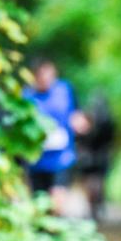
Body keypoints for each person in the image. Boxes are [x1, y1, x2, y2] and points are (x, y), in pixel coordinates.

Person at [23, 58, 83, 217]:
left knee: (57, 201)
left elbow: (76, 112)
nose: (45, 78)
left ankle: (55, 230)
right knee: (40, 205)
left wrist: (79, 122)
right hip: (36, 159)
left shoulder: (65, 90)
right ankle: (45, 235)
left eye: (48, 73)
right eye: (41, 74)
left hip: (62, 158)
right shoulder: (26, 96)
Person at [74, 95, 117, 223]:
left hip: (89, 156)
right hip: (102, 155)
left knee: (90, 182)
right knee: (98, 182)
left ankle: (93, 206)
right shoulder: (109, 119)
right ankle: (96, 205)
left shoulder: (89, 119)